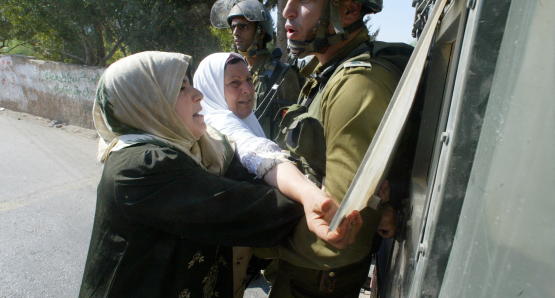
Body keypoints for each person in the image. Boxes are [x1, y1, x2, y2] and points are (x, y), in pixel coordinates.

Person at [78, 51, 361, 298]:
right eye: (181, 88)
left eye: (191, 85)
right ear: (148, 103)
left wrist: (311, 189)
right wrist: (327, 205)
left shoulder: (201, 146)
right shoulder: (140, 166)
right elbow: (238, 208)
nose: (197, 94)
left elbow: (250, 171)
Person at [261, 0, 406, 296]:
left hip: (316, 281)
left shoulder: (358, 84)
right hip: (305, 273)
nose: (287, 11)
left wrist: (255, 242)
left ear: (349, 11)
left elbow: (339, 235)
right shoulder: (328, 73)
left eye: (303, 1)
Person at [194, 52, 367, 294]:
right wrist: (309, 195)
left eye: (249, 80)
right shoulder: (221, 123)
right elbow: (260, 154)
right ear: (210, 88)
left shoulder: (237, 117)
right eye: (234, 83)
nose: (247, 89)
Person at [212, 0, 301, 139]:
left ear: (260, 32)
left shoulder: (282, 75)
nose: (236, 32)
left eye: (243, 27)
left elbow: (295, 130)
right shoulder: (230, 74)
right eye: (234, 27)